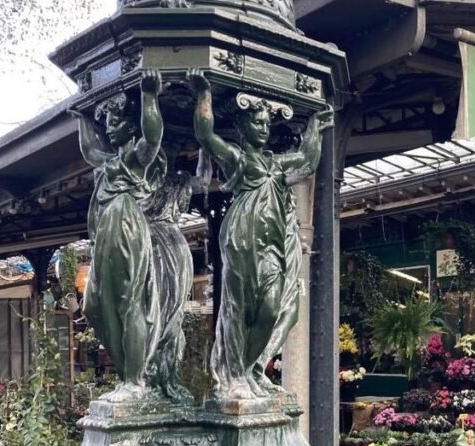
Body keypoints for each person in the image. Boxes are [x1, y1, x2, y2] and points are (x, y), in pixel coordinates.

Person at [188, 68, 333, 400]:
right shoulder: (237, 158)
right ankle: (238, 375)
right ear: (241, 127)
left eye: (267, 123)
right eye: (257, 122)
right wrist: (204, 94)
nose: (264, 128)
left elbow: (309, 160)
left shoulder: (277, 164)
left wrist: (316, 125)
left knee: (270, 307)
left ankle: (248, 367)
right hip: (240, 240)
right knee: (238, 307)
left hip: (270, 247)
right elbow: (206, 135)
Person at [71, 69, 165, 402]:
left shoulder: (135, 157)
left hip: (125, 223)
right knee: (94, 305)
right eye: (106, 119)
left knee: (129, 303)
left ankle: (134, 380)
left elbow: (153, 139)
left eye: (115, 119)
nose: (108, 125)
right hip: (104, 234)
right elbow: (89, 151)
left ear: (130, 123)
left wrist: (150, 97)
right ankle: (127, 372)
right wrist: (81, 112)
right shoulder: (109, 161)